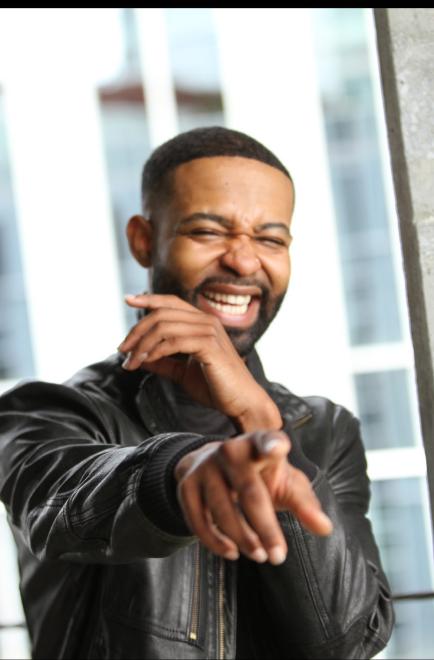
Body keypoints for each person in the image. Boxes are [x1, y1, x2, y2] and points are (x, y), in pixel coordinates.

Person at [0, 126, 394, 659]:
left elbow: (345, 643)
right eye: (208, 231)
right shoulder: (48, 412)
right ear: (144, 240)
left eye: (270, 239)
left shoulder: (327, 430)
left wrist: (260, 418)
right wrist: (180, 471)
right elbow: (60, 512)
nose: (245, 262)